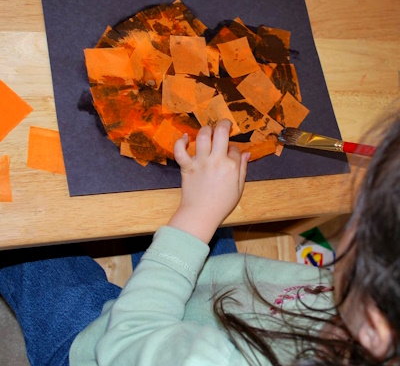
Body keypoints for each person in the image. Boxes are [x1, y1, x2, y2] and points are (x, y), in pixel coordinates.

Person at [0, 117, 399, 365]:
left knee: (23, 230)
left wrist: (198, 216)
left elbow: (129, 340)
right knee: (187, 186)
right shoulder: (382, 305)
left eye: (360, 230)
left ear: (375, 327)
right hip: (215, 293)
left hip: (103, 342)